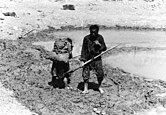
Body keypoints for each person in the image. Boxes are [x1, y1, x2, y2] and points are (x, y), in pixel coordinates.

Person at [79, 24, 107, 94]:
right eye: (92, 32)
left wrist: (99, 45)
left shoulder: (100, 37)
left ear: (97, 32)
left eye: (95, 32)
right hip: (88, 58)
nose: (93, 34)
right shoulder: (86, 38)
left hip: (97, 58)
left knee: (100, 73)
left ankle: (99, 86)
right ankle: (85, 89)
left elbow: (104, 48)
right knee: (85, 73)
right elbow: (83, 49)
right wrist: (82, 60)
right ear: (90, 31)